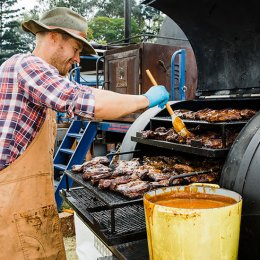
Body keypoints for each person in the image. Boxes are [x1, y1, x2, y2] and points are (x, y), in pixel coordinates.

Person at [0, 6, 169, 260]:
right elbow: (86, 102)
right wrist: (144, 100)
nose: (78, 59)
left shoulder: (37, 77)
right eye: (76, 49)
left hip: (27, 207)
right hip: (14, 209)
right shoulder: (26, 66)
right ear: (54, 37)